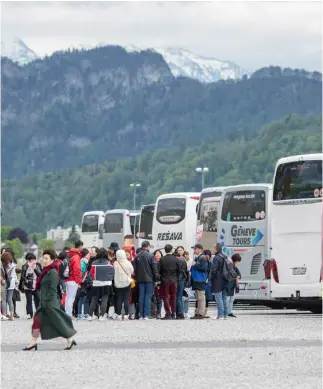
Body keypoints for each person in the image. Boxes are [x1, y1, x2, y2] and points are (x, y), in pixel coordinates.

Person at [23, 249, 77, 351]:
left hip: (50, 303)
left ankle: (70, 339)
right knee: (37, 321)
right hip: (45, 302)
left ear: (52, 260)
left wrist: (45, 301)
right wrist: (34, 268)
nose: (44, 260)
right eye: (43, 258)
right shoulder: (46, 271)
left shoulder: (52, 272)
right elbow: (42, 281)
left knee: (58, 322)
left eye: (47, 258)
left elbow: (52, 290)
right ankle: (33, 342)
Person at [133, 241, 158, 320]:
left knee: (141, 296)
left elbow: (135, 269)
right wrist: (156, 278)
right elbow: (154, 268)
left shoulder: (137, 256)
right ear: (148, 246)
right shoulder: (150, 255)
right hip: (149, 279)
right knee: (148, 296)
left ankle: (141, 315)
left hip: (140, 279)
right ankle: (146, 315)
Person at [211, 243, 236, 320]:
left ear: (216, 249)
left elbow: (214, 270)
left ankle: (220, 315)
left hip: (217, 280)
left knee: (218, 299)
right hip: (225, 280)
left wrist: (210, 278)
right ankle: (225, 315)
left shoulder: (216, 258)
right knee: (224, 298)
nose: (212, 249)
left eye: (213, 247)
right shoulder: (224, 256)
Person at [88, 248, 115, 321]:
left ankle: (90, 315)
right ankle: (102, 316)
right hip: (106, 283)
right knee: (104, 300)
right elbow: (112, 273)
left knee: (94, 300)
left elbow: (91, 274)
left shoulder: (94, 263)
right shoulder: (108, 263)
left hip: (96, 283)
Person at [158, 244, 180, 320]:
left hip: (165, 280)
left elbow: (158, 271)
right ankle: (173, 313)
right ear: (171, 250)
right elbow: (179, 271)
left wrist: (160, 278)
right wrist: (176, 277)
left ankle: (168, 313)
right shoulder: (176, 259)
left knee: (165, 297)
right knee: (174, 297)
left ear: (165, 250)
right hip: (174, 280)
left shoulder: (162, 259)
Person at [19, 253, 42, 319]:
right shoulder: (25, 266)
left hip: (36, 286)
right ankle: (29, 314)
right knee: (29, 301)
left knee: (38, 299)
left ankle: (38, 313)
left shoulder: (37, 265)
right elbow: (22, 277)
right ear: (28, 260)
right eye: (31, 260)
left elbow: (40, 275)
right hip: (27, 287)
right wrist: (26, 282)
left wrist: (35, 268)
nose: (33, 261)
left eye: (34, 260)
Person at [114, 250, 134, 320]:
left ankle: (119, 314)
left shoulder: (115, 263)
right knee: (126, 299)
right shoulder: (128, 263)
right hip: (126, 283)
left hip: (117, 283)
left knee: (119, 299)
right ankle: (126, 314)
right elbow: (132, 271)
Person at [190, 244, 208, 320]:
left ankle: (200, 313)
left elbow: (204, 268)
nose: (194, 250)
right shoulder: (199, 257)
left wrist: (195, 264)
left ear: (200, 249)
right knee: (198, 297)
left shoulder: (202, 257)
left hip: (200, 280)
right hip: (197, 279)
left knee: (201, 297)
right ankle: (198, 313)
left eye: (195, 249)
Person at [65, 240, 83, 317]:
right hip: (73, 280)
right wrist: (78, 281)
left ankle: (67, 313)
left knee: (68, 298)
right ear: (80, 246)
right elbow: (77, 269)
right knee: (71, 298)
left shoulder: (69, 254)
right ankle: (68, 314)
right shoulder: (76, 256)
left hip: (67, 278)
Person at [2, 251, 18, 321]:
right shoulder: (13, 265)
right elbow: (14, 275)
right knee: (9, 300)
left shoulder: (2, 264)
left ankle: (5, 315)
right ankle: (12, 315)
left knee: (4, 300)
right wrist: (16, 282)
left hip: (5, 283)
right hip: (11, 283)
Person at [77, 249, 91, 320]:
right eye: (88, 254)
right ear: (85, 255)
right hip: (83, 282)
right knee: (82, 298)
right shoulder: (83, 262)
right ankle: (81, 314)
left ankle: (83, 314)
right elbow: (82, 273)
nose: (89, 255)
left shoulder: (83, 262)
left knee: (84, 298)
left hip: (84, 282)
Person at [176, 246, 188, 320]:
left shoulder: (186, 259)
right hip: (180, 279)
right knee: (179, 297)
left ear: (183, 251)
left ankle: (182, 312)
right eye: (178, 250)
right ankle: (180, 311)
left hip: (182, 279)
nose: (179, 251)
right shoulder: (178, 259)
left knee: (180, 297)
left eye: (181, 250)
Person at [227, 253, 241, 318]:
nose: (238, 263)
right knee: (227, 299)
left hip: (233, 284)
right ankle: (226, 312)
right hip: (228, 284)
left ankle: (229, 312)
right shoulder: (229, 265)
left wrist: (236, 276)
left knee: (231, 299)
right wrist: (236, 276)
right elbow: (235, 274)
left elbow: (239, 275)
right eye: (238, 261)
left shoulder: (234, 266)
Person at [151, 250, 163, 319]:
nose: (158, 255)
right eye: (156, 254)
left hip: (160, 282)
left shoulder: (163, 262)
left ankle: (158, 313)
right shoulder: (152, 261)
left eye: (159, 254)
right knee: (152, 298)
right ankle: (153, 312)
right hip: (152, 282)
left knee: (159, 298)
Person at [0, 255, 8, 320]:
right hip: (1, 282)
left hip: (2, 283)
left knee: (2, 299)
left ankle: (2, 314)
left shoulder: (2, 263)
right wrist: (2, 279)